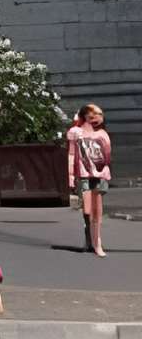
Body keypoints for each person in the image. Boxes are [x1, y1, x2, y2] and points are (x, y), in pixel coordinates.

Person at [66, 105, 111, 256]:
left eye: (100, 114)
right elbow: (71, 154)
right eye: (94, 114)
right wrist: (71, 176)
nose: (98, 117)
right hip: (84, 174)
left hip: (99, 174)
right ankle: (88, 238)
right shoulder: (75, 132)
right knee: (87, 209)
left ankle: (97, 241)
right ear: (85, 116)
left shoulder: (103, 133)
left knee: (97, 209)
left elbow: (106, 156)